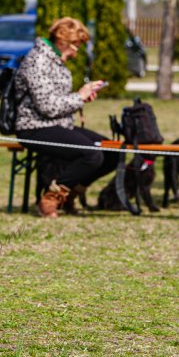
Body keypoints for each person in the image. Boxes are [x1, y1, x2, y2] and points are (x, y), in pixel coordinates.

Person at [14, 17, 118, 217]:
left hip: (59, 124)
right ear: (62, 41)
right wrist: (79, 97)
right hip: (34, 127)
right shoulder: (38, 61)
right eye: (75, 45)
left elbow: (57, 100)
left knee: (112, 152)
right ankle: (51, 198)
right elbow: (47, 106)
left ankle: (70, 193)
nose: (77, 51)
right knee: (91, 154)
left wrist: (81, 97)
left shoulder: (56, 61)